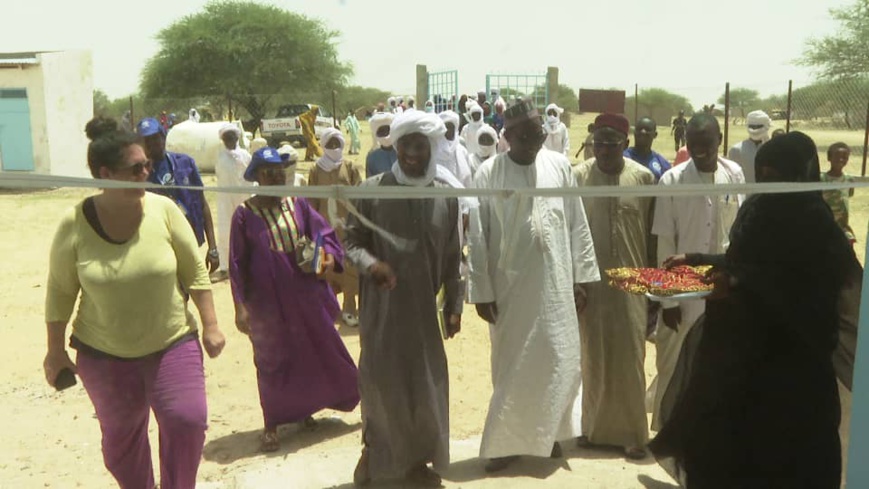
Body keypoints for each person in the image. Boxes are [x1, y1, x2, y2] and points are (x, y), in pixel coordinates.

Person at [649, 131, 855, 489]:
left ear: (800, 175)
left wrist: (740, 284)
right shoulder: (758, 209)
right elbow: (740, 260)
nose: (770, 184)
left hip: (795, 375)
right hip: (743, 369)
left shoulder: (817, 225)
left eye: (778, 177)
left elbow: (810, 286)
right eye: (765, 176)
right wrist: (698, 260)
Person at [44, 116, 226, 488]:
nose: (147, 171)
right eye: (136, 168)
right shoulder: (73, 223)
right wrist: (55, 351)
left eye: (147, 164)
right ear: (105, 174)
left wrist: (210, 324)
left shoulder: (164, 210)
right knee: (122, 442)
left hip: (172, 341)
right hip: (103, 354)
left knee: (187, 421)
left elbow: (194, 271)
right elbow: (60, 290)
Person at [468, 101, 600, 473]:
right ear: (506, 137)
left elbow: (577, 223)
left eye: (538, 134)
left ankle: (548, 437)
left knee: (557, 359)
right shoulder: (489, 173)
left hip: (557, 283)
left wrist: (581, 279)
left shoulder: (559, 166)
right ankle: (506, 444)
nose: (532, 142)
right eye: (523, 136)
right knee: (512, 364)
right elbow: (478, 237)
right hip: (510, 287)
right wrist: (481, 291)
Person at [344, 110, 463, 488]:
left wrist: (455, 304)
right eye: (406, 145)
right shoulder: (371, 191)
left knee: (425, 388)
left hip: (425, 315)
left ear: (430, 148)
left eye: (420, 145)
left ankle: (417, 464)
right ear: (396, 147)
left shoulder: (444, 195)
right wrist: (372, 264)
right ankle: (375, 457)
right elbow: (349, 243)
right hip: (382, 313)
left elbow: (452, 254)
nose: (413, 153)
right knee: (383, 386)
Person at [229, 147, 360, 453]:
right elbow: (236, 263)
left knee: (316, 348)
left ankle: (308, 409)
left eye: (279, 171)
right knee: (272, 359)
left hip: (305, 294)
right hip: (267, 303)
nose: (276, 176)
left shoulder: (297, 204)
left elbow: (325, 234)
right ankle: (272, 423)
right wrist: (240, 306)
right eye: (268, 172)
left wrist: (326, 258)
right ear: (257, 177)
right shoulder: (244, 215)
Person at [649, 113, 745, 432]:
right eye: (692, 143)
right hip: (683, 291)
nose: (699, 149)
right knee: (673, 364)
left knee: (718, 362)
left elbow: (740, 234)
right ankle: (666, 431)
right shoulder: (672, 181)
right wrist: (668, 301)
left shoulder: (735, 174)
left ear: (719, 140)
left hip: (722, 286)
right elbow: (665, 243)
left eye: (706, 142)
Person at [573, 114, 655, 460]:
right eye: (599, 143)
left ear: (625, 143)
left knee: (631, 356)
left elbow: (653, 235)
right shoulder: (577, 177)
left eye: (613, 143)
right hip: (591, 282)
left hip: (633, 283)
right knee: (593, 355)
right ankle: (592, 430)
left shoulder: (643, 178)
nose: (605, 149)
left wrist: (655, 288)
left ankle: (634, 435)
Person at [137, 117, 219, 274]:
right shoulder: (138, 173)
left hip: (189, 239)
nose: (151, 143)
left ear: (163, 136)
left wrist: (213, 248)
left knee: (190, 287)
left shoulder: (185, 163)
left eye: (155, 138)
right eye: (146, 140)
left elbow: (202, 204)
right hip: (158, 245)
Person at [307, 128, 364, 327]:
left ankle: (350, 309)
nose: (333, 148)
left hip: (347, 229)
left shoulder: (349, 166)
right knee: (325, 269)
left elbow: (359, 193)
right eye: (329, 144)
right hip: (324, 230)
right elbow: (311, 200)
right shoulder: (315, 170)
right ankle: (329, 310)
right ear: (322, 145)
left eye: (336, 144)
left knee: (350, 271)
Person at [214, 123, 253, 280]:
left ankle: (249, 264)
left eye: (232, 137)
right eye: (226, 137)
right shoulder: (220, 157)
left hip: (244, 197)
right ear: (223, 140)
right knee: (225, 230)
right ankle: (225, 267)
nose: (230, 140)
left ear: (237, 137)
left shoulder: (246, 155)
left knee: (247, 229)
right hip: (225, 199)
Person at [821, 142, 856, 245]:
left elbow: (848, 194)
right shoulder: (821, 179)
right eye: (837, 157)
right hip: (825, 226)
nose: (841, 160)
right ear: (829, 158)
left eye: (845, 157)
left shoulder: (849, 180)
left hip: (843, 227)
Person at [727, 110, 771, 183]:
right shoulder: (736, 150)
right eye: (752, 126)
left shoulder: (774, 149)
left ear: (767, 126)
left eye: (758, 126)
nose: (755, 129)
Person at [624, 117, 672, 181]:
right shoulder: (622, 157)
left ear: (655, 135)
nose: (643, 132)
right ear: (634, 132)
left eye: (647, 129)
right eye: (639, 129)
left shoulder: (662, 163)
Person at [436, 110, 473, 187]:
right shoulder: (433, 151)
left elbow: (468, 180)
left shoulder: (462, 151)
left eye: (451, 127)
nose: (449, 130)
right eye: (446, 127)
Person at [365, 112, 396, 177]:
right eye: (381, 132)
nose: (385, 135)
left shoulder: (404, 152)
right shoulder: (372, 157)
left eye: (388, 130)